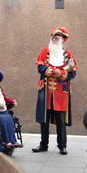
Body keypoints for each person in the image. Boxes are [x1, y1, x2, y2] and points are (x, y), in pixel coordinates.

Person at [32, 27, 78, 155]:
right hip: (46, 90)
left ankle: (62, 146)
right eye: (53, 36)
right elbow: (40, 67)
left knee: (60, 120)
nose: (54, 38)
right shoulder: (45, 51)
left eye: (57, 36)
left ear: (63, 39)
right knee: (44, 119)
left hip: (60, 92)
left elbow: (73, 73)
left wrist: (62, 74)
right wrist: (52, 71)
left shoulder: (68, 55)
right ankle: (43, 145)